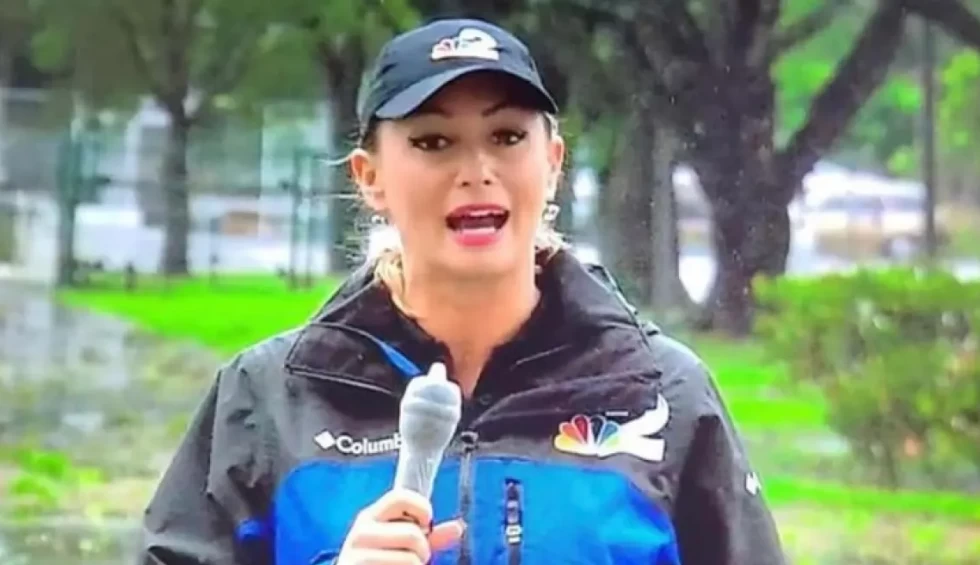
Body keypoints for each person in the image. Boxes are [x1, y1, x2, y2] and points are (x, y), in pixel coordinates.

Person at [137, 17, 786, 565]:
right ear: (369, 177)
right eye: (433, 141)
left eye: (507, 137)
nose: (476, 171)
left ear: (552, 162)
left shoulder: (663, 395)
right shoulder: (270, 397)